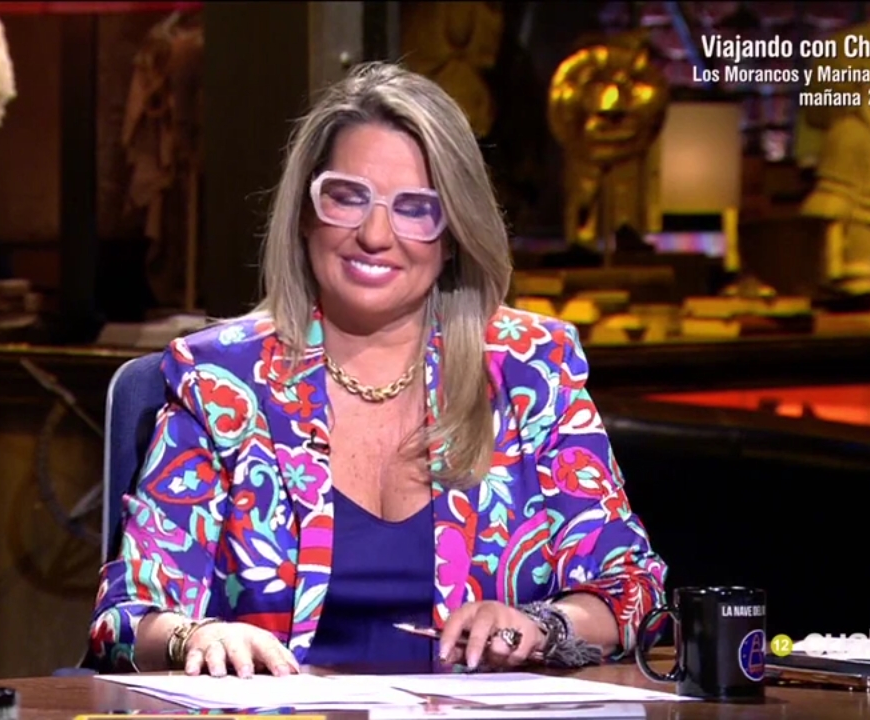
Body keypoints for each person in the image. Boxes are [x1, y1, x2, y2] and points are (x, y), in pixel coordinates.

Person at [87, 61, 667, 677]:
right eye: (347, 198)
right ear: (306, 212)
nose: (374, 234)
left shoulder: (530, 371)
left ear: (453, 234)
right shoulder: (221, 380)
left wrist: (543, 625)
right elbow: (126, 615)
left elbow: (634, 588)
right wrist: (197, 636)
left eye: (416, 208)